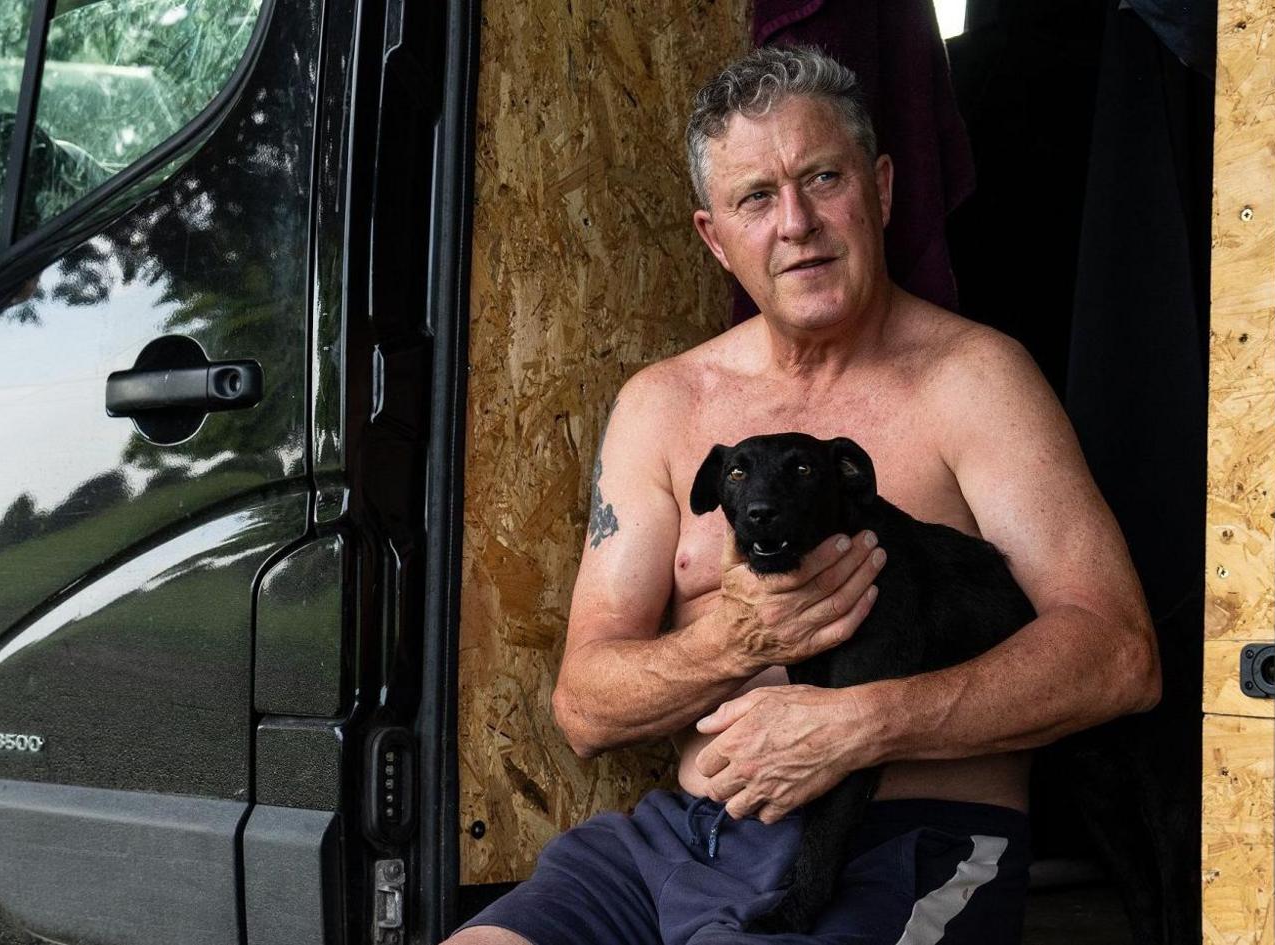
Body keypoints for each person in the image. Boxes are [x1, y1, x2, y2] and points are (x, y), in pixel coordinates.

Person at [447, 45, 1158, 945]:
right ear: (714, 236)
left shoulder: (975, 381)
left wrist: (862, 725)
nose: (796, 222)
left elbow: (1117, 655)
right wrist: (736, 638)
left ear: (884, 189)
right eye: (756, 197)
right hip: (678, 842)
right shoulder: (664, 406)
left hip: (903, 846)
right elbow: (586, 706)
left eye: (823, 177)